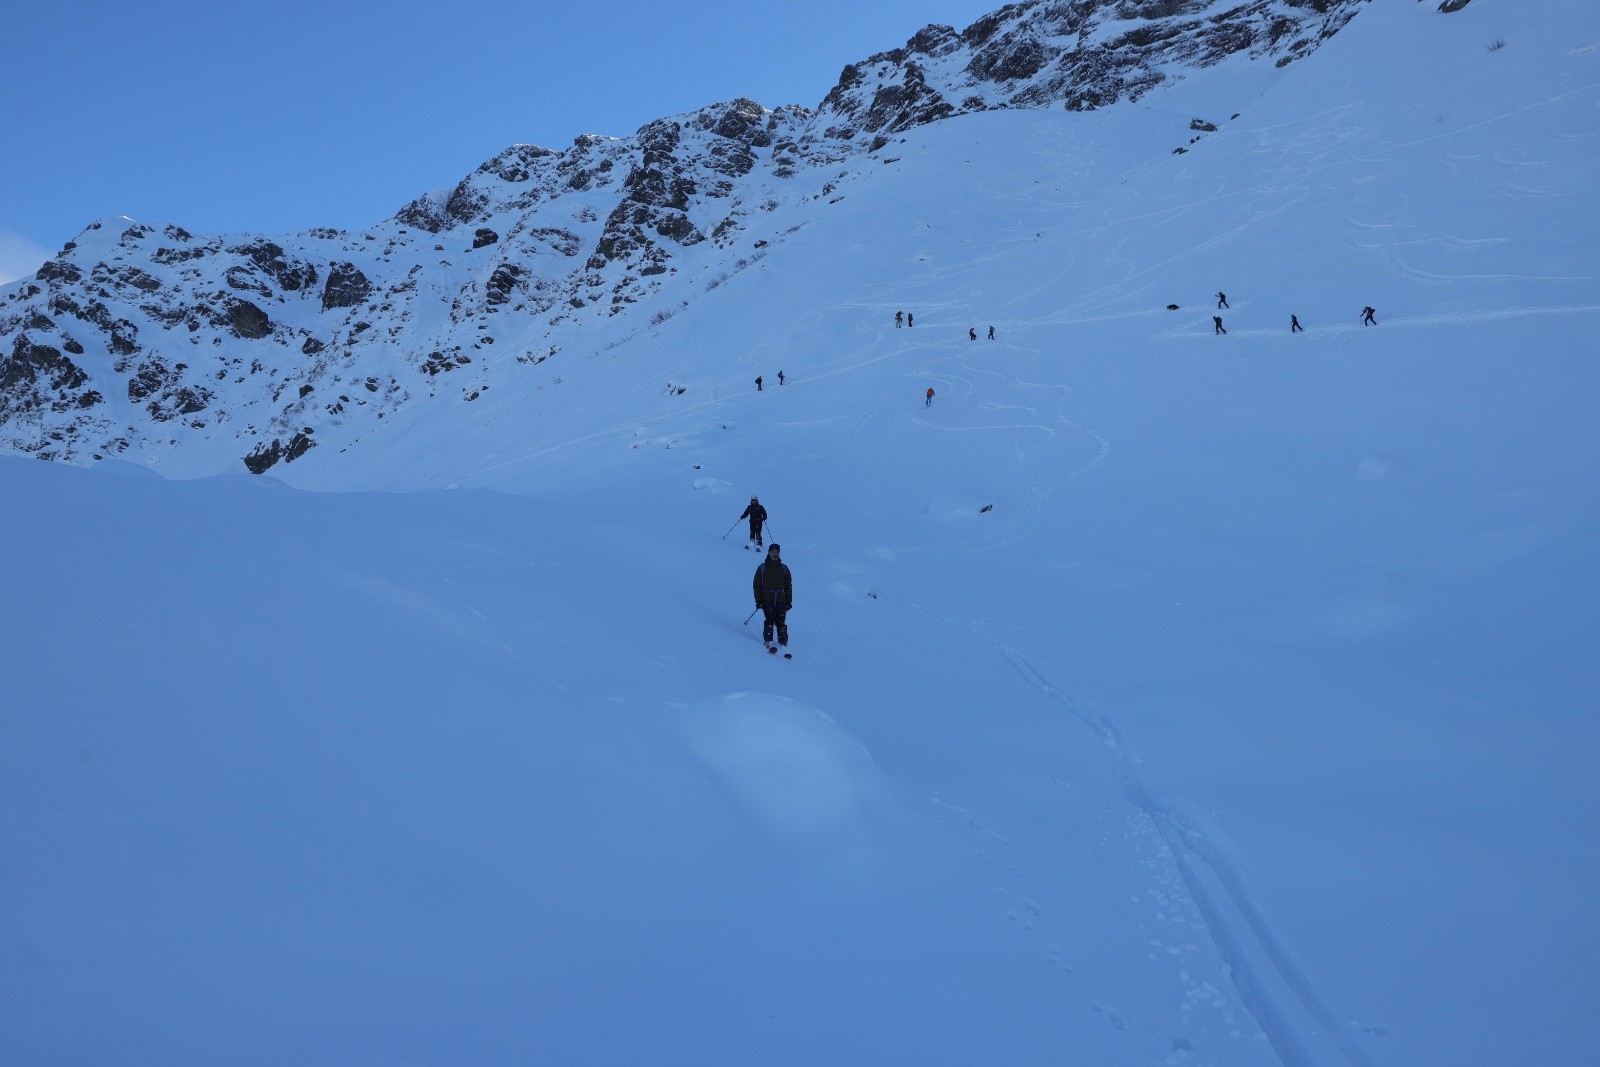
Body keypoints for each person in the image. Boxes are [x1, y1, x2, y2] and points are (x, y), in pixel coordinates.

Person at [753, 543, 793, 651]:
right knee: (769, 620)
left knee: (781, 622)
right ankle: (768, 641)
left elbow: (788, 586)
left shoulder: (784, 568)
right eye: (772, 552)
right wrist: (759, 600)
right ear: (769, 553)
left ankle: (783, 644)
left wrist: (789, 601)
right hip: (767, 599)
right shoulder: (762, 568)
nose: (774, 554)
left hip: (781, 599)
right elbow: (756, 585)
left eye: (776, 552)